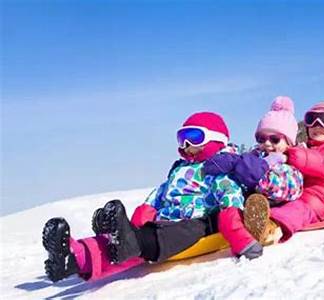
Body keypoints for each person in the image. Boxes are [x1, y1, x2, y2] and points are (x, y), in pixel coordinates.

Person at [42, 112, 245, 282]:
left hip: (197, 224)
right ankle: (72, 257)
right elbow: (158, 196)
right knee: (127, 244)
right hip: (163, 222)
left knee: (149, 240)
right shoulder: (181, 169)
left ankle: (129, 240)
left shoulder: (220, 168)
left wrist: (242, 240)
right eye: (181, 138)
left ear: (217, 139)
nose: (186, 143)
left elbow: (231, 199)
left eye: (193, 136)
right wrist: (139, 221)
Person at [209, 101, 324, 258]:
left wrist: (290, 155)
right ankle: (245, 219)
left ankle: (270, 227)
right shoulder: (301, 149)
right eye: (311, 119)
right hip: (299, 193)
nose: (317, 124)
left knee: (299, 209)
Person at [204, 96, 304, 257]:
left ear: (289, 142)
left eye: (275, 139)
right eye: (261, 139)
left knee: (270, 210)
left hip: (272, 206)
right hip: (245, 204)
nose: (267, 144)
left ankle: (262, 228)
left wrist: (260, 178)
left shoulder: (289, 165)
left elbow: (292, 188)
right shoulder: (254, 157)